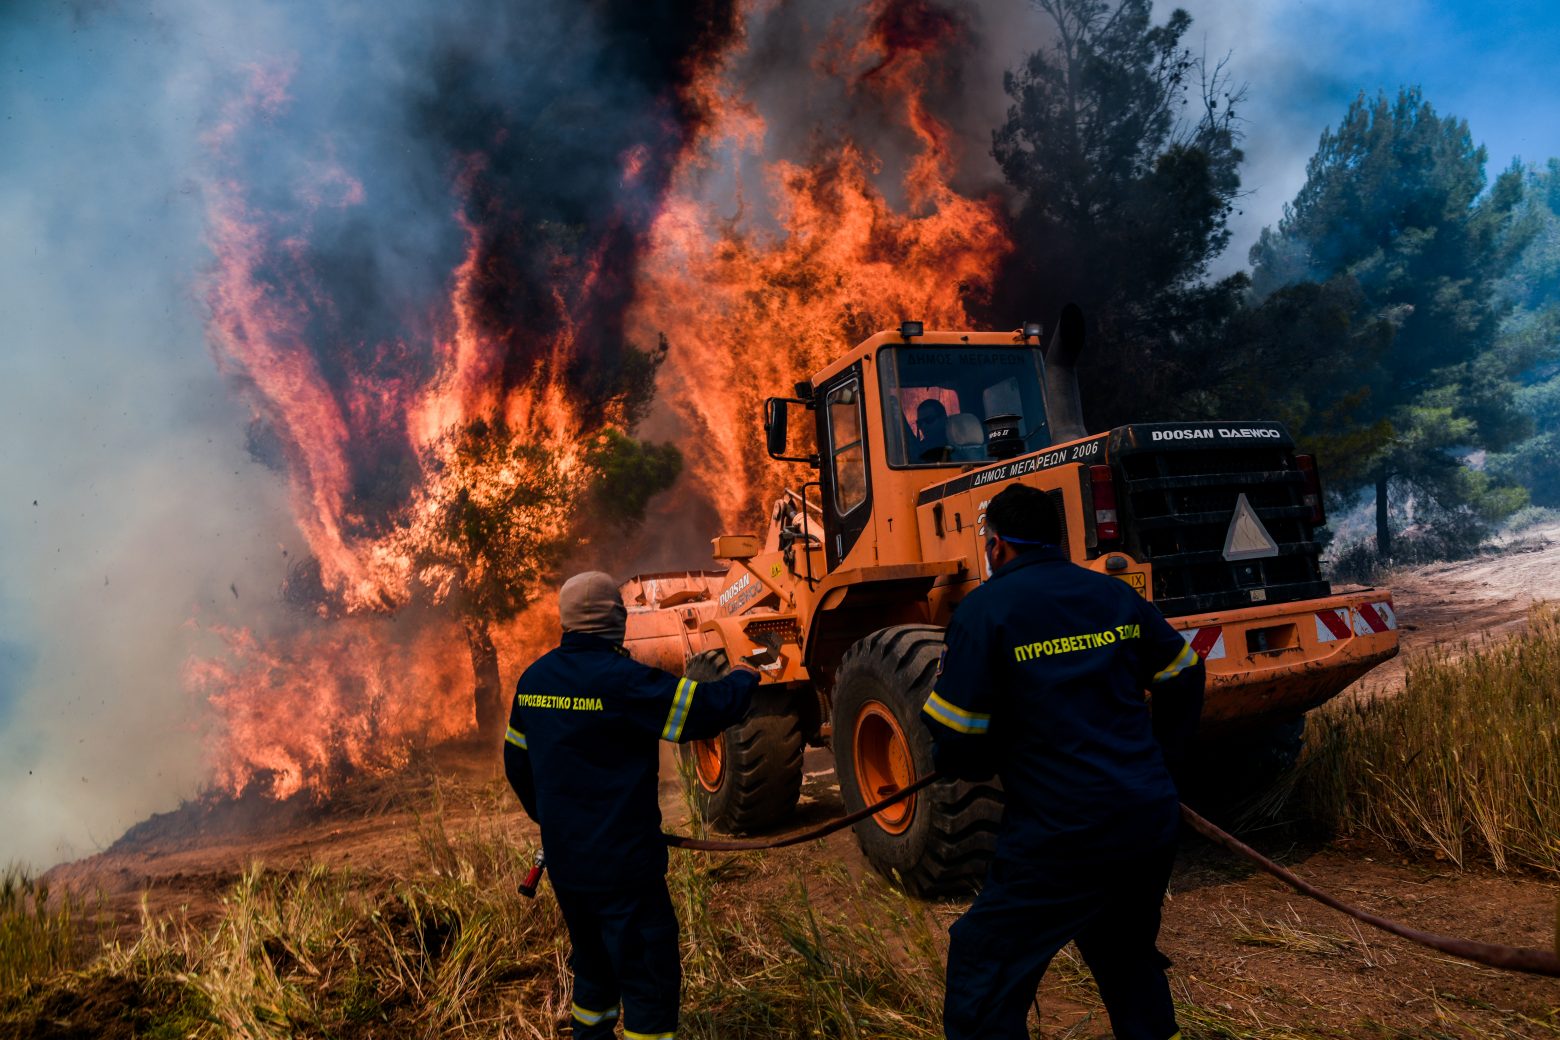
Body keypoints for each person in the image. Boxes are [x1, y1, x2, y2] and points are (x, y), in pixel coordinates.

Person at [921, 483, 1204, 1040]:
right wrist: (1162, 768)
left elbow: (959, 734)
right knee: (1125, 954)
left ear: (996, 545)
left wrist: (963, 759)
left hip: (1061, 834)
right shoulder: (1113, 595)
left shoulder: (985, 611)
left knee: (982, 967)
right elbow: (1185, 672)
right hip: (1145, 822)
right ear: (1056, 537)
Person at [504, 571, 760, 1040]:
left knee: (594, 971)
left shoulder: (533, 680)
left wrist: (558, 821)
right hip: (625, 869)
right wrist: (745, 676)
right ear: (615, 620)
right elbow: (704, 712)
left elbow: (516, 765)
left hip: (568, 867)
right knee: (647, 979)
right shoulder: (622, 680)